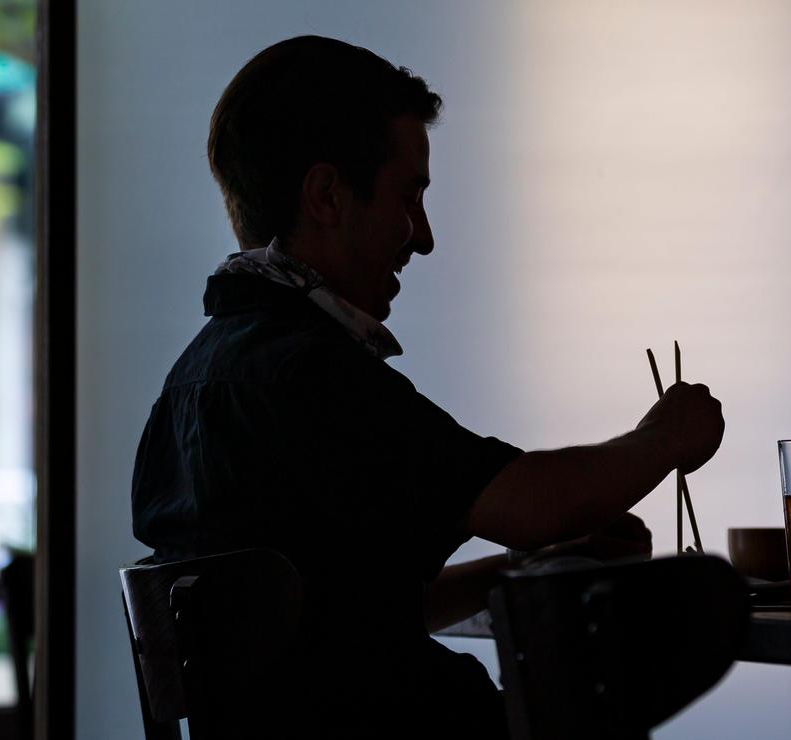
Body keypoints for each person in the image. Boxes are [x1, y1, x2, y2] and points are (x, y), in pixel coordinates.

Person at [131, 35, 724, 739]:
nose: (425, 236)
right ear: (327, 195)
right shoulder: (308, 373)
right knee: (708, 600)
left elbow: (338, 623)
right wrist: (666, 436)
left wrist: (515, 568)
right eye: (409, 195)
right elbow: (532, 502)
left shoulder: (192, 383)